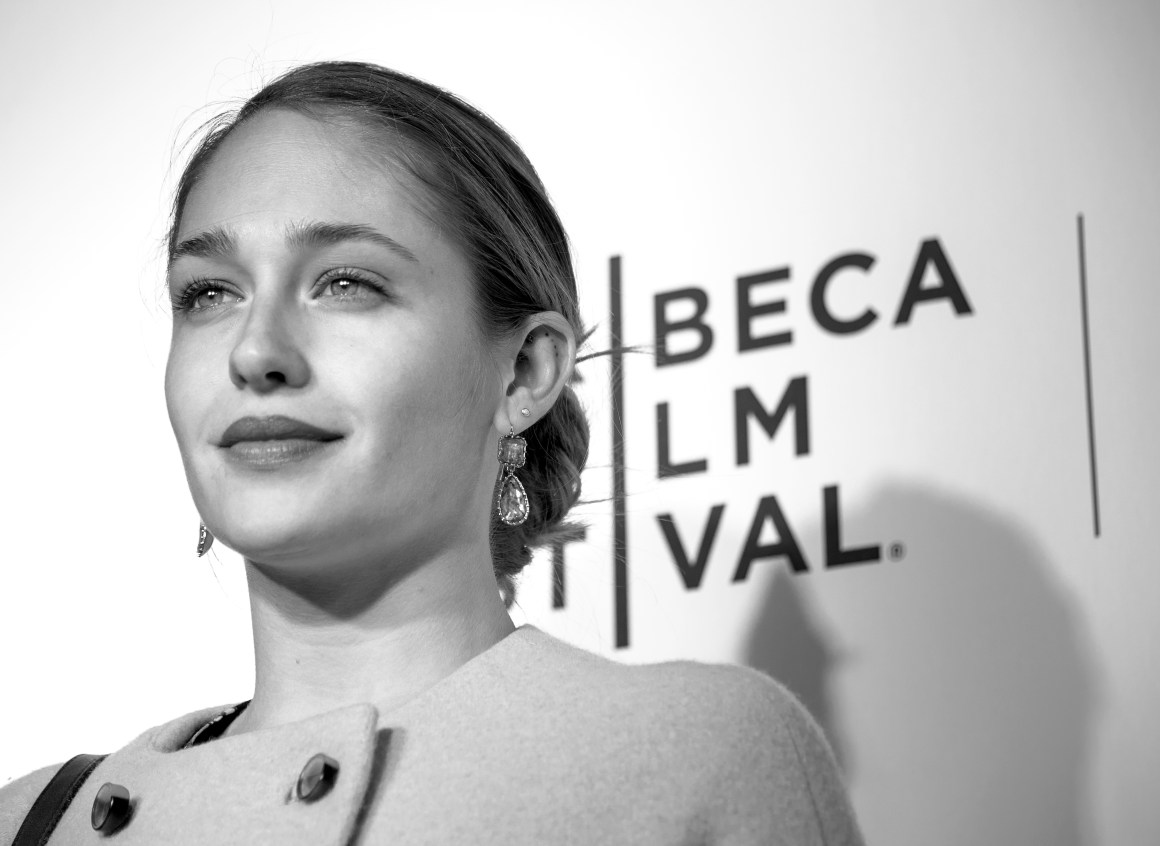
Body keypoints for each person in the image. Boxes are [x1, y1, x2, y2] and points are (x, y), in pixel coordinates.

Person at [0, 61, 863, 845]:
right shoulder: (33, 820)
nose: (255, 350)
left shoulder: (690, 758)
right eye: (208, 293)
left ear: (523, 373)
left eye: (346, 283)